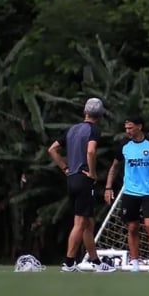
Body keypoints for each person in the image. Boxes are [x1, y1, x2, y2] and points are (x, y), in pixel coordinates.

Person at [48, 98, 115, 272]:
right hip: (84, 179)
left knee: (88, 222)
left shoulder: (72, 129)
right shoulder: (93, 130)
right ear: (100, 115)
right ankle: (69, 262)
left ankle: (95, 261)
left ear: (85, 112)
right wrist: (92, 172)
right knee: (80, 222)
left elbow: (52, 149)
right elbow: (91, 151)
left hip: (72, 179)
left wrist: (65, 167)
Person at [104, 115, 149, 272]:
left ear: (139, 126)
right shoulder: (124, 146)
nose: (127, 131)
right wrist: (108, 187)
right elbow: (114, 167)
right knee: (133, 226)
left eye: (130, 127)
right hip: (130, 192)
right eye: (126, 128)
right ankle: (134, 263)